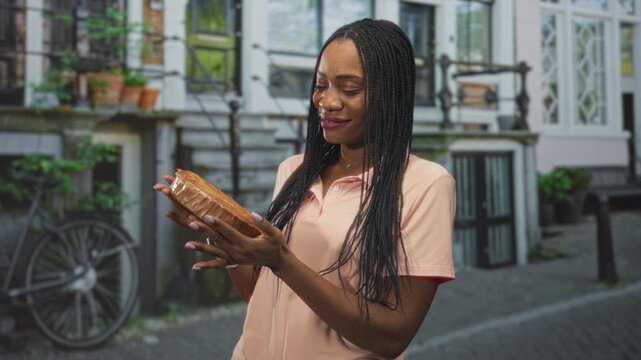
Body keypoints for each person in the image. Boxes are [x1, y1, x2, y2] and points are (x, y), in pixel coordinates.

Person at [154, 18, 456, 360]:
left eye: (350, 89)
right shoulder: (293, 171)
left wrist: (283, 262)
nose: (327, 101)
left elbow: (392, 337)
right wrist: (236, 252)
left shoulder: (425, 184)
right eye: (321, 85)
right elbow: (266, 299)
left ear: (392, 93)